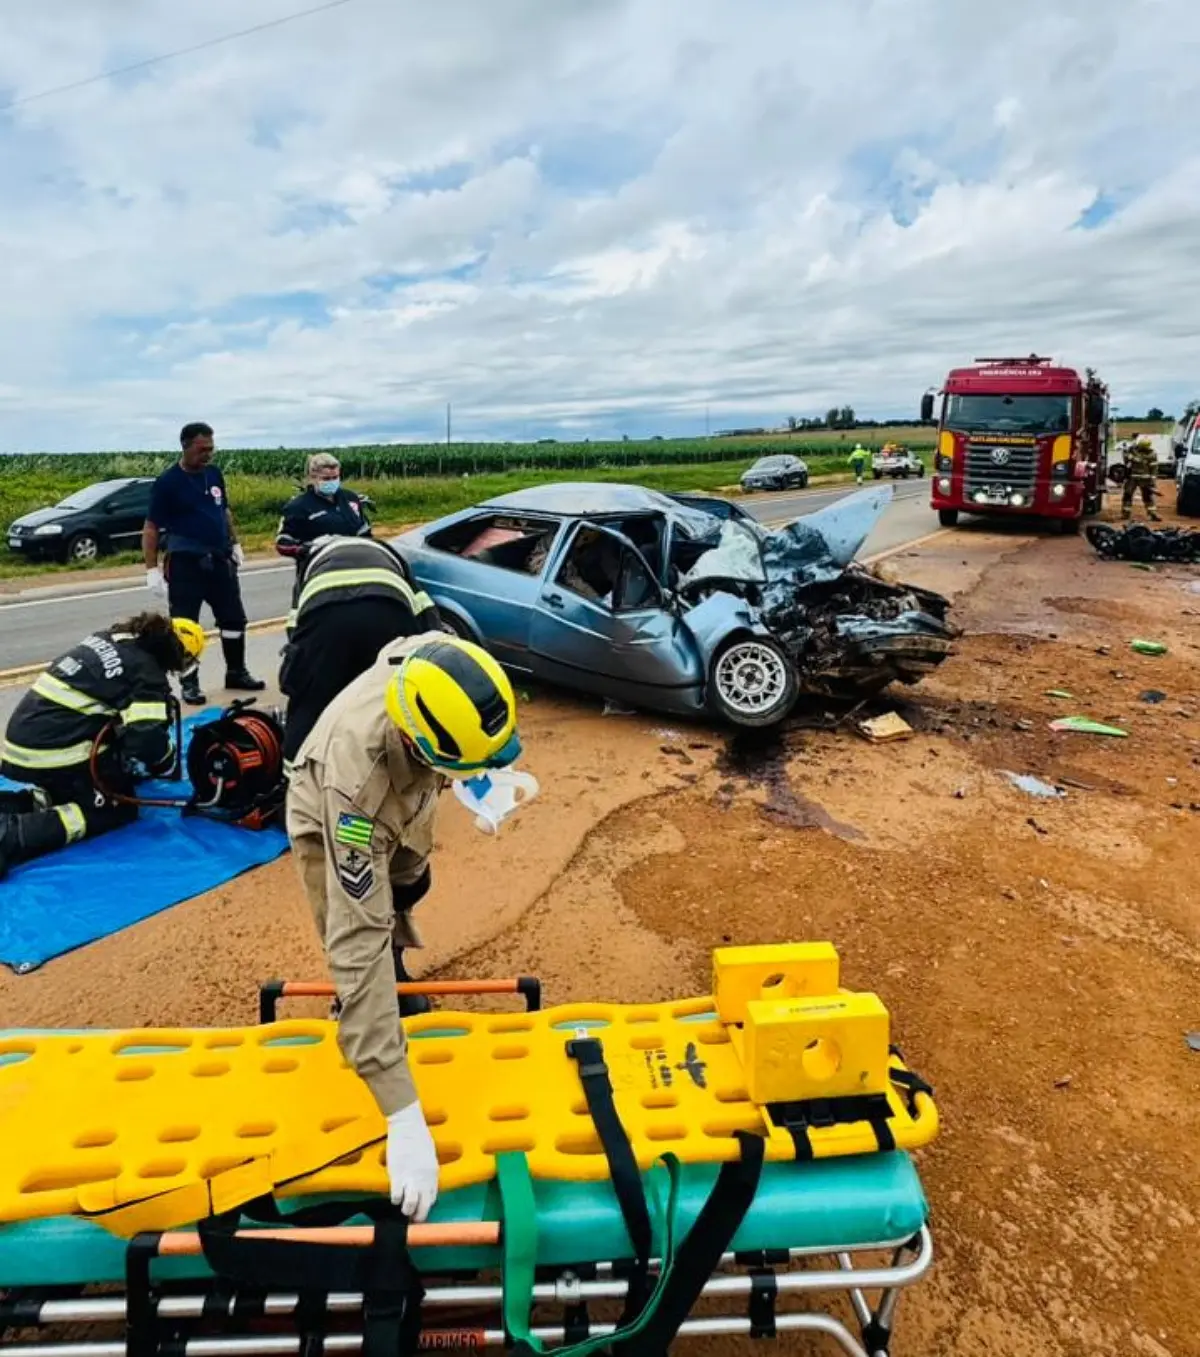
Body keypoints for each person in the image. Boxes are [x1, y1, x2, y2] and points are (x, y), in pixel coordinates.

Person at [285, 633, 522, 1220]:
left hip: (412, 787)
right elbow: (356, 935)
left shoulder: (436, 657)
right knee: (366, 933)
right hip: (328, 810)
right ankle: (370, 1020)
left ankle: (393, 984)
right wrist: (402, 1114)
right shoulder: (355, 799)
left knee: (412, 881)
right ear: (423, 745)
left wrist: (483, 778)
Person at [0, 615, 207, 878]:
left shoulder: (109, 637)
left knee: (74, 791)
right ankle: (10, 837)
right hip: (53, 753)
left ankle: (29, 802)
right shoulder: (146, 673)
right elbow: (146, 741)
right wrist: (166, 761)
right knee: (114, 808)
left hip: (24, 740)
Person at [279, 534, 443, 765]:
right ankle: (403, 765)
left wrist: (305, 671)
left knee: (309, 703)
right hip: (388, 610)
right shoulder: (388, 552)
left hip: (326, 615)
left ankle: (294, 774)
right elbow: (425, 610)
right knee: (392, 700)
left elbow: (294, 628)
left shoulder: (310, 562)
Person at [143, 421, 265, 706]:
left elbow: (223, 511)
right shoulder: (168, 482)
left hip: (220, 560)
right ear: (185, 446)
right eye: (202, 450)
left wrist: (234, 542)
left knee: (234, 619)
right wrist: (151, 569)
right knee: (186, 626)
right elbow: (151, 527)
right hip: (186, 564)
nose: (207, 455)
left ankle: (236, 671)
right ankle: (190, 683)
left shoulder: (214, 474)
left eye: (211, 449)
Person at [275, 453, 374, 560]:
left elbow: (364, 532)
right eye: (326, 479)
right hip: (320, 567)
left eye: (335, 477)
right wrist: (305, 550)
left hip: (354, 563)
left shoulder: (351, 499)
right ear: (312, 478)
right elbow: (282, 543)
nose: (332, 482)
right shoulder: (297, 507)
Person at [1122, 434, 1161, 522]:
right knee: (1128, 494)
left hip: (1143, 479)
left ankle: (1152, 513)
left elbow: (1154, 468)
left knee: (1147, 496)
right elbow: (1126, 460)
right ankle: (1126, 513)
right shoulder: (1132, 449)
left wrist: (1152, 480)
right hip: (1133, 477)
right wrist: (1126, 454)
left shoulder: (1152, 454)